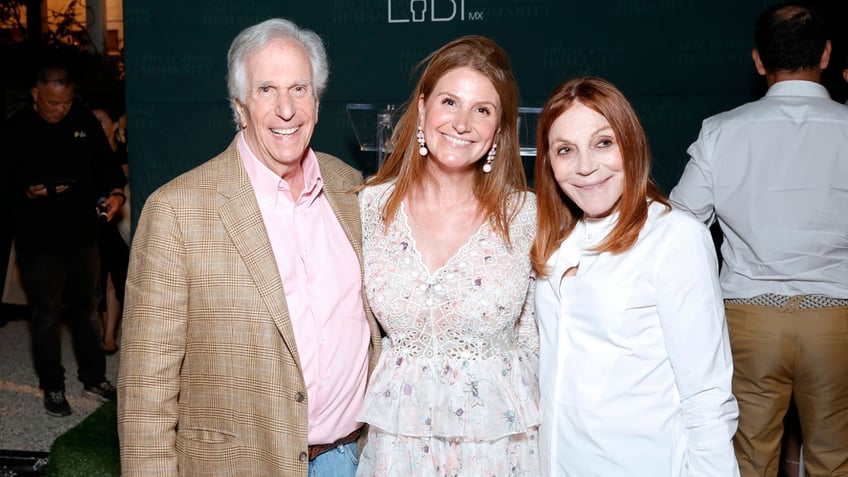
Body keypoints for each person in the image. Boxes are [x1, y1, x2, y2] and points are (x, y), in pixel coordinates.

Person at [116, 18, 382, 477]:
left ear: (317, 102)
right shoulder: (177, 212)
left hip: (354, 460)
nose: (286, 109)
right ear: (239, 106)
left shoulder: (350, 188)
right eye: (266, 90)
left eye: (300, 89)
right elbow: (145, 392)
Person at [669, 3, 848, 476]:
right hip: (838, 324)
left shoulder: (721, 132)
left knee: (748, 460)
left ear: (758, 61)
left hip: (749, 323)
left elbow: (679, 224)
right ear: (826, 55)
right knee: (836, 459)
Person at [532, 76, 739, 477]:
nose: (586, 166)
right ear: (548, 161)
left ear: (631, 142)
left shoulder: (676, 238)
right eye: (565, 150)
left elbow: (707, 396)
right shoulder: (558, 244)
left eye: (603, 142)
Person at [355, 36, 540, 476]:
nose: (462, 123)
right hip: (397, 452)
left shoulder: (525, 216)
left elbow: (539, 341)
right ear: (422, 108)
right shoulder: (368, 208)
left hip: (500, 452)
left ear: (499, 128)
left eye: (482, 110)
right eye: (449, 102)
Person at [0, 60, 125, 417]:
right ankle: (52, 385)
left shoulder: (84, 121)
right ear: (36, 95)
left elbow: (107, 166)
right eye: (53, 103)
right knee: (46, 315)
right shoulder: (15, 130)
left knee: (87, 310)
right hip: (37, 240)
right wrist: (26, 193)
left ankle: (94, 376)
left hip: (83, 235)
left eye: (67, 102)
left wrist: (116, 193)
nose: (60, 110)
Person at [90, 103, 129, 354]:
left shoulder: (125, 153)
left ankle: (109, 334)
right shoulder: (85, 153)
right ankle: (103, 331)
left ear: (114, 124)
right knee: (95, 278)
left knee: (116, 277)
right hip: (91, 223)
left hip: (119, 224)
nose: (96, 126)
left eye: (101, 120)